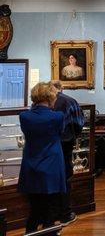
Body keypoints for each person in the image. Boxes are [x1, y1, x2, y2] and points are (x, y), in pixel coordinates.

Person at [18, 82, 65, 235]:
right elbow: (61, 133)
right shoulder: (57, 117)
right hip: (51, 165)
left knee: (34, 209)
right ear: (50, 96)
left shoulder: (24, 116)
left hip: (31, 166)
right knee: (50, 211)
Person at [51, 80, 85, 226]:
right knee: (65, 175)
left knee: (51, 176)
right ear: (62, 88)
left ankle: (50, 214)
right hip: (65, 143)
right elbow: (79, 122)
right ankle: (65, 212)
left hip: (49, 144)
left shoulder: (43, 101)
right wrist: (73, 136)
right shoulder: (70, 101)